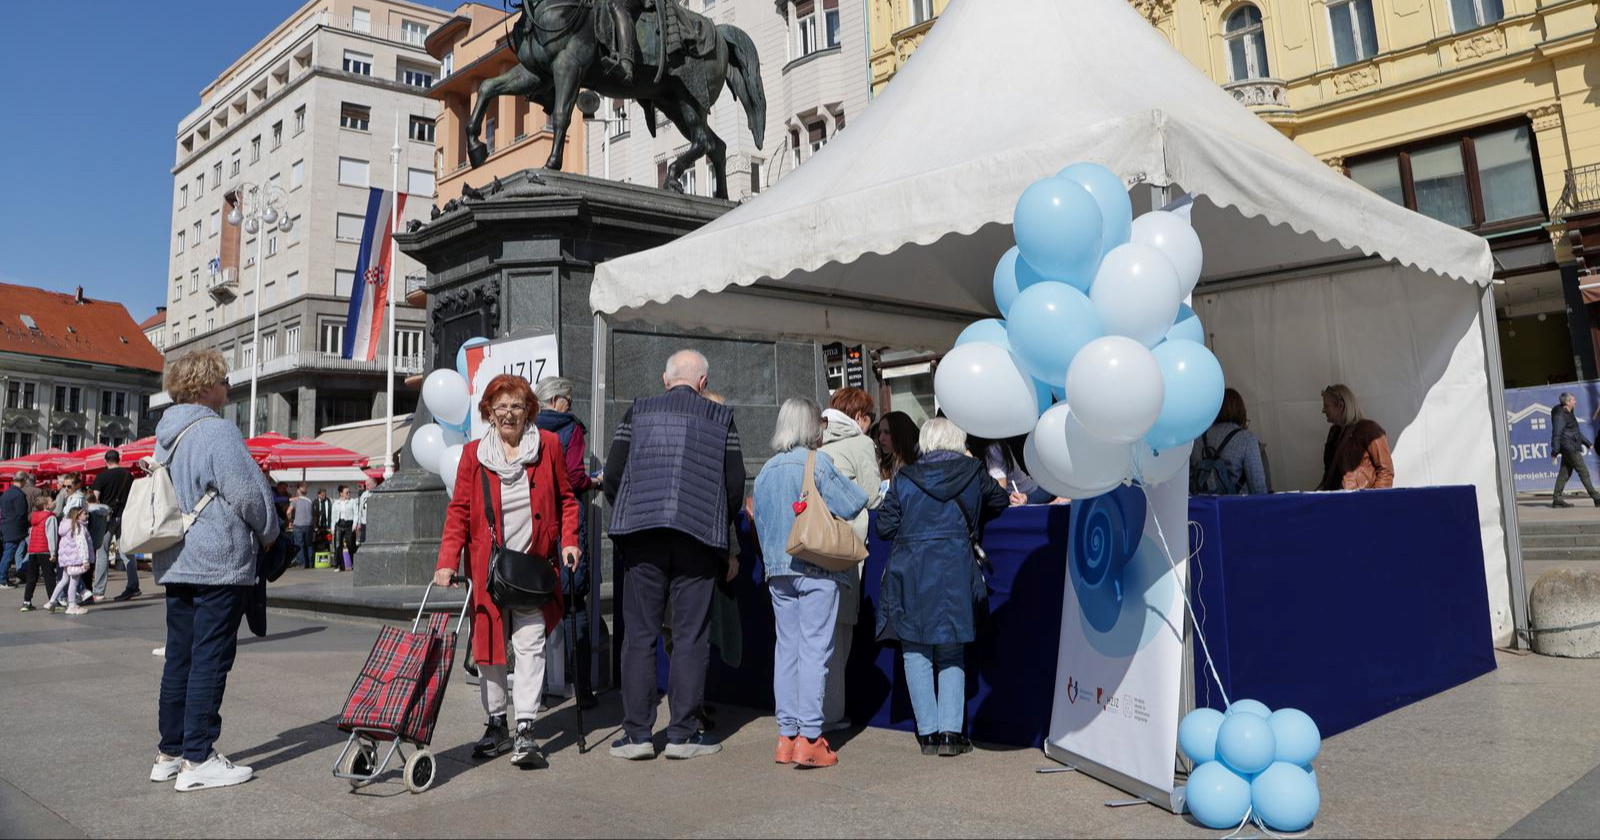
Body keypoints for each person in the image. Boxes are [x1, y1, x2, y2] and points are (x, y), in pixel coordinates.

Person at [149, 349, 281, 792]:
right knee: (210, 658)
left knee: (180, 657)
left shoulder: (165, 434)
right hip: (217, 560)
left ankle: (170, 751)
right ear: (205, 386)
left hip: (178, 558)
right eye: (223, 380)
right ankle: (199, 757)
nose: (228, 388)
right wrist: (269, 531)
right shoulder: (216, 431)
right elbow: (248, 494)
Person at [434, 373, 581, 769]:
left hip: (534, 567)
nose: (509, 414)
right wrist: (447, 561)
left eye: (517, 406)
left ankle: (527, 728)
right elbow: (459, 513)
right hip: (490, 571)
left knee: (531, 644)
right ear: (489, 412)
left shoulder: (547, 446)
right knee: (490, 652)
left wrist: (569, 540)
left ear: (529, 409)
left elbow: (568, 500)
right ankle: (497, 721)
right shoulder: (472, 455)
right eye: (501, 407)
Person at [603, 349, 744, 761]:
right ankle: (682, 734)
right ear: (702, 383)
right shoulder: (721, 418)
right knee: (690, 636)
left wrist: (629, 509)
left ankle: (637, 736)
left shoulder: (638, 411)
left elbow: (613, 473)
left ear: (666, 380)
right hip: (698, 537)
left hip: (642, 534)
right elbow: (734, 484)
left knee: (640, 635)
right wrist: (719, 519)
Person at [876, 418, 1009, 757]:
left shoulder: (904, 477)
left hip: (912, 571)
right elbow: (1000, 501)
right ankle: (951, 733)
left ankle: (928, 734)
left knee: (916, 649)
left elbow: (884, 526)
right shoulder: (973, 471)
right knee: (951, 649)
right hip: (954, 568)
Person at [753, 398, 869, 768]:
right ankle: (810, 737)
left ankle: (786, 737)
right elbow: (855, 503)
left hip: (778, 571)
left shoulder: (767, 470)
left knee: (786, 649)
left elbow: (760, 520)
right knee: (816, 650)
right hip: (816, 566)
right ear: (810, 427)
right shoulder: (816, 462)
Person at [817, 387, 882, 734]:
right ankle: (830, 715)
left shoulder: (818, 441)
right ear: (859, 417)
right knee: (839, 638)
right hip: (847, 547)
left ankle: (810, 712)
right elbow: (872, 497)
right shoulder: (860, 443)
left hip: (815, 547)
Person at [533, 376, 599, 710]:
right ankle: (583, 688)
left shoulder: (527, 428)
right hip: (567, 522)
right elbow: (574, 476)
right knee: (574, 606)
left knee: (534, 614)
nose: (571, 404)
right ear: (557, 400)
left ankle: (540, 692)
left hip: (533, 525)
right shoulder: (571, 430)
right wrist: (591, 481)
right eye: (568, 399)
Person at [1190, 389, 1270, 496]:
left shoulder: (1196, 438)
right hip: (1236, 508)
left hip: (1203, 509)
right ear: (1240, 410)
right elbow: (1258, 487)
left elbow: (1189, 482)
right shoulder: (1247, 439)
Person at [1317, 384, 1394, 492]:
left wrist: (1375, 501)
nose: (1323, 410)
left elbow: (1385, 471)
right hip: (1337, 501)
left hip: (1360, 502)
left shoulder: (1369, 429)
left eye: (1326, 406)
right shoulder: (1334, 432)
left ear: (1340, 406)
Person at [94, 450, 139, 600]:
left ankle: (99, 591)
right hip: (125, 515)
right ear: (118, 459)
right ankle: (133, 585)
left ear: (105, 461)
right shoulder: (128, 476)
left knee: (102, 552)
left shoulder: (102, 476)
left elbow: (94, 499)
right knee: (127, 551)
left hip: (107, 518)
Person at [1550, 392, 1600, 507]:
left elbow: (1574, 432)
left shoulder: (1569, 412)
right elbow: (1556, 434)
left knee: (1565, 473)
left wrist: (1588, 443)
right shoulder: (1560, 416)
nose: (1575, 401)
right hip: (1569, 447)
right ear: (1567, 402)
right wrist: (1555, 451)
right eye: (1573, 400)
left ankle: (1557, 499)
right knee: (1583, 472)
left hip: (1570, 445)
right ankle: (1596, 497)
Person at [48, 499, 92, 616]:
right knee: (74, 581)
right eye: (85, 514)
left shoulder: (65, 527)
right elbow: (82, 545)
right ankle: (72, 605)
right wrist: (85, 560)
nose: (87, 515)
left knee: (64, 580)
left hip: (66, 560)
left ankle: (51, 601)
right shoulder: (78, 528)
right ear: (78, 515)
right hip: (76, 559)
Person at [19, 495, 58, 613]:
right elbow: (52, 536)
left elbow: (31, 534)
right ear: (46, 505)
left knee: (32, 576)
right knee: (49, 576)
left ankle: (27, 601)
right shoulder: (50, 518)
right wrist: (53, 552)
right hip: (45, 550)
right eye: (52, 501)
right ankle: (53, 600)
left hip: (33, 550)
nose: (54, 502)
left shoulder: (35, 517)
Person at [870, 411, 920, 492]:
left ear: (901, 433)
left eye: (887, 432)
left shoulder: (921, 461)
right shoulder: (885, 464)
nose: (881, 438)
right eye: (880, 433)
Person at [82, 490, 111, 605]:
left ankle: (86, 592)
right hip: (98, 541)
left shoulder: (89, 512)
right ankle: (92, 591)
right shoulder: (104, 510)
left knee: (85, 570)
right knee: (92, 567)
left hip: (88, 541)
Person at [0, 472, 28, 588]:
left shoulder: (5, 494)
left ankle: (3, 578)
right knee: (9, 554)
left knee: (7, 553)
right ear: (23, 480)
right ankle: (2, 579)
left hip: (5, 525)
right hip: (15, 527)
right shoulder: (19, 495)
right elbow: (22, 512)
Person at [331, 486, 360, 572]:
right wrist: (332, 527)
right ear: (341, 494)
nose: (348, 494)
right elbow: (333, 516)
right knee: (338, 545)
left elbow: (356, 513)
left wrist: (354, 525)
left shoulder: (352, 502)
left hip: (349, 524)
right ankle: (338, 565)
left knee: (350, 544)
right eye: (346, 492)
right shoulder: (336, 503)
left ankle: (352, 563)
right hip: (339, 524)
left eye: (349, 492)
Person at [289, 486, 315, 569]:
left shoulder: (295, 500)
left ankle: (302, 564)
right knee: (309, 545)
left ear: (298, 491)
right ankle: (310, 563)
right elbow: (315, 514)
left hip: (298, 525)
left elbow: (288, 511)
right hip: (309, 525)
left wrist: (291, 520)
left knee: (299, 545)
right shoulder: (310, 501)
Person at [312, 489, 332, 559]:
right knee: (317, 542)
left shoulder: (328, 501)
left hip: (326, 525)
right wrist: (315, 526)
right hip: (318, 525)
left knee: (328, 542)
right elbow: (313, 515)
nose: (324, 496)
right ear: (319, 495)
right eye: (323, 495)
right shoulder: (315, 502)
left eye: (325, 495)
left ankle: (328, 557)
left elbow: (330, 513)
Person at [357, 480, 374, 544]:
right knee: (363, 540)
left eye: (368, 485)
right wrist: (359, 523)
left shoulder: (375, 494)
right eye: (366, 485)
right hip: (364, 522)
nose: (366, 487)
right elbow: (360, 509)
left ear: (374, 485)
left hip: (372, 522)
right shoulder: (364, 494)